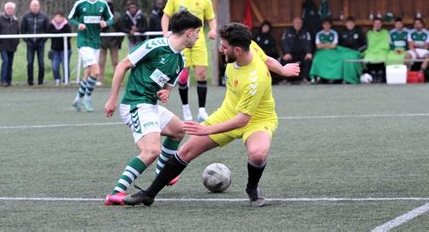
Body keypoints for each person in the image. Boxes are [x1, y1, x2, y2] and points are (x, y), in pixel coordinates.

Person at [123, 22, 300, 208]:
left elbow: (243, 120)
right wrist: (283, 69)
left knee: (257, 154)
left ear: (238, 50)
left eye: (224, 47)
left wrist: (205, 129)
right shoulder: (251, 46)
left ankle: (252, 188)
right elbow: (268, 60)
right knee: (185, 151)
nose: (221, 50)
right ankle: (149, 194)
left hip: (257, 120)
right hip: (227, 113)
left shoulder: (255, 80)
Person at [103, 10, 202, 205]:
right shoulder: (154, 46)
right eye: (198, 32)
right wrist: (112, 100)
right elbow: (122, 65)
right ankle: (116, 192)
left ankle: (162, 172)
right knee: (151, 151)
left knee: (179, 130)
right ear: (189, 32)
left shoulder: (180, 59)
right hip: (135, 103)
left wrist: (165, 93)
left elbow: (166, 87)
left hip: (150, 104)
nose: (199, 37)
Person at [162, 0, 217, 122]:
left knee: (201, 74)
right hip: (181, 42)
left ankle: (201, 111)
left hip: (198, 42)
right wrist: (165, 31)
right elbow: (166, 16)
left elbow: (211, 18)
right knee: (183, 76)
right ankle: (186, 110)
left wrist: (213, 30)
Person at [69, 0, 113, 112]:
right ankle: (87, 98)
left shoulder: (102, 4)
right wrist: (78, 25)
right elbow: (70, 18)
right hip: (84, 42)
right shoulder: (80, 4)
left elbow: (111, 18)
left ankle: (77, 99)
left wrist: (106, 23)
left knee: (88, 73)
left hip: (95, 42)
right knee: (96, 71)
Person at [20, 0, 49, 86]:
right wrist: (27, 40)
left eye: (36, 5)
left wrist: (43, 40)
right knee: (29, 63)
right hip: (30, 43)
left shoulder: (44, 17)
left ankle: (40, 82)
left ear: (39, 6)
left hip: (40, 43)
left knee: (41, 63)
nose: (35, 7)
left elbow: (47, 30)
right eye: (33, 5)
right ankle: (30, 81)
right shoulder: (25, 16)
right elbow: (22, 30)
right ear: (30, 6)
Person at [0, 2, 19, 87]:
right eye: (8, 8)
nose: (10, 10)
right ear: (5, 9)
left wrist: (16, 42)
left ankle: (9, 81)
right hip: (3, 46)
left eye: (11, 8)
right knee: (5, 61)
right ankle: (3, 80)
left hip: (12, 46)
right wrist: (0, 41)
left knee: (10, 63)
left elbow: (18, 32)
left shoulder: (16, 20)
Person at [98, 0, 123, 86]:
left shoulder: (117, 16)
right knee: (101, 62)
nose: (109, 7)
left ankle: (117, 81)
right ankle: (100, 80)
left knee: (115, 62)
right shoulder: (100, 15)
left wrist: (119, 43)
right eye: (107, 5)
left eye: (110, 5)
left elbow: (120, 30)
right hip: (102, 42)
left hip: (114, 42)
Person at [281, 17, 313, 84]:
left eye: (299, 23)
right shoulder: (287, 32)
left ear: (302, 24)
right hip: (290, 54)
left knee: (308, 59)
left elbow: (309, 43)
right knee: (285, 59)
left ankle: (305, 79)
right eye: (296, 23)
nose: (297, 24)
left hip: (303, 54)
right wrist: (287, 52)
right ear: (293, 24)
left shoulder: (306, 32)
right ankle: (285, 80)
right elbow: (284, 42)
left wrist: (308, 52)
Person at [47, 11, 72, 86]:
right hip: (54, 49)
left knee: (65, 66)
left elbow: (69, 35)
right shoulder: (51, 25)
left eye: (60, 17)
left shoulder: (66, 25)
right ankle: (57, 79)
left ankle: (66, 80)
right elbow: (48, 32)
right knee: (55, 66)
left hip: (65, 49)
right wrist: (58, 33)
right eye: (56, 16)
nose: (58, 18)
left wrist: (56, 33)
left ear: (63, 17)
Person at [363, 18, 389, 83]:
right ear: (373, 24)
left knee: (382, 56)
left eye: (379, 23)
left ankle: (380, 74)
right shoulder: (370, 33)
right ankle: (373, 73)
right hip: (371, 50)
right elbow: (370, 43)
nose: (377, 25)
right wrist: (375, 32)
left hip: (382, 50)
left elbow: (385, 43)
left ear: (381, 24)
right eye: (375, 23)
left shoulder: (385, 32)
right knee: (368, 56)